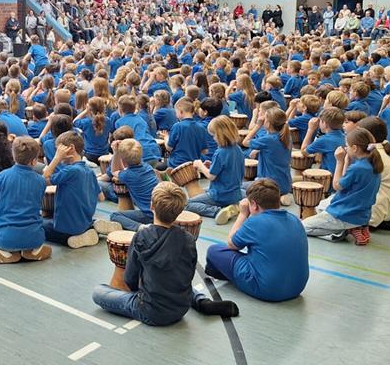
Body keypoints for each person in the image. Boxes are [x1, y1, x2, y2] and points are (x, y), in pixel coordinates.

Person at [92, 182, 239, 325]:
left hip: (150, 312)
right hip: (182, 308)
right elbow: (188, 275)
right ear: (179, 211)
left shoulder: (141, 237)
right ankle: (201, 301)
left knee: (98, 292)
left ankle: (172, 298)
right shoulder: (188, 239)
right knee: (175, 280)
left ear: (152, 207)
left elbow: (130, 279)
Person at [204, 179, 309, 302]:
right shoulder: (295, 219)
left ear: (254, 205)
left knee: (214, 251)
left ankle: (225, 275)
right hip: (297, 287)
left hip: (268, 290)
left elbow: (232, 243)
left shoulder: (255, 222)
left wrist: (243, 214)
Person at [302, 127, 383, 245]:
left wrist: (339, 162)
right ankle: (357, 227)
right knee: (321, 205)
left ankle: (338, 232)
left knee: (303, 226)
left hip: (344, 215)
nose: (345, 148)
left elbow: (337, 185)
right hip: (362, 215)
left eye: (347, 146)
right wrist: (346, 162)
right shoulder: (371, 163)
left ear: (354, 148)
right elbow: (345, 182)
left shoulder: (358, 168)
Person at [0, 137, 52, 264]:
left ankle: (8, 253)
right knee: (37, 229)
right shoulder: (41, 181)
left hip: (6, 237)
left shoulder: (3, 176)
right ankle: (32, 251)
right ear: (34, 161)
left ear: (13, 156)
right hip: (35, 237)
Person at [42, 131, 103, 248]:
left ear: (71, 148)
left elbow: (44, 178)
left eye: (58, 150)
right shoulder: (89, 171)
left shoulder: (70, 171)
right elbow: (101, 197)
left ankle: (73, 238)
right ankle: (92, 226)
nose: (57, 153)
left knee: (37, 226)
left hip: (67, 229)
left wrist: (56, 159)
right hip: (84, 222)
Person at [186, 116, 245, 225]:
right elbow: (229, 169)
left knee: (188, 204)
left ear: (221, 134)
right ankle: (233, 206)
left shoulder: (220, 152)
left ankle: (218, 211)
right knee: (205, 189)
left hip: (220, 194)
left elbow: (211, 176)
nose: (213, 139)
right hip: (236, 194)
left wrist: (200, 166)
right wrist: (212, 165)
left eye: (214, 136)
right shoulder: (238, 149)